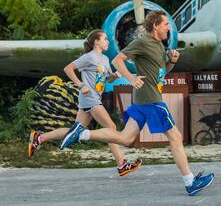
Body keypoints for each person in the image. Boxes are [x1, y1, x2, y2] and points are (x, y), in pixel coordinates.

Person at [59, 11, 215, 196]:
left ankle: (82, 134)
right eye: (165, 24)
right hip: (151, 100)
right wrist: (131, 78)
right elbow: (118, 60)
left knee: (125, 138)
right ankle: (190, 182)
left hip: (142, 100)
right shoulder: (142, 41)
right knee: (175, 136)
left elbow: (161, 72)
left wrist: (172, 62)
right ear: (155, 25)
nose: (169, 27)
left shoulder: (159, 45)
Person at [28, 29, 142, 177]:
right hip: (90, 98)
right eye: (105, 39)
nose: (108, 41)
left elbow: (106, 80)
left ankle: (39, 138)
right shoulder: (88, 57)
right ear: (96, 41)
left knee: (75, 131)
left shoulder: (106, 59)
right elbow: (68, 69)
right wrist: (81, 85)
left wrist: (114, 76)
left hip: (94, 98)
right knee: (111, 127)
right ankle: (121, 165)